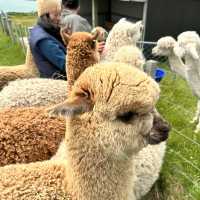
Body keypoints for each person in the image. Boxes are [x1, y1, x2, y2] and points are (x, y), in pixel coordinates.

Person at [29, 0, 67, 79]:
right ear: (45, 15)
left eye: (60, 14)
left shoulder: (44, 29)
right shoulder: (44, 40)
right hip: (57, 84)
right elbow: (66, 65)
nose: (59, 18)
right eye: (56, 15)